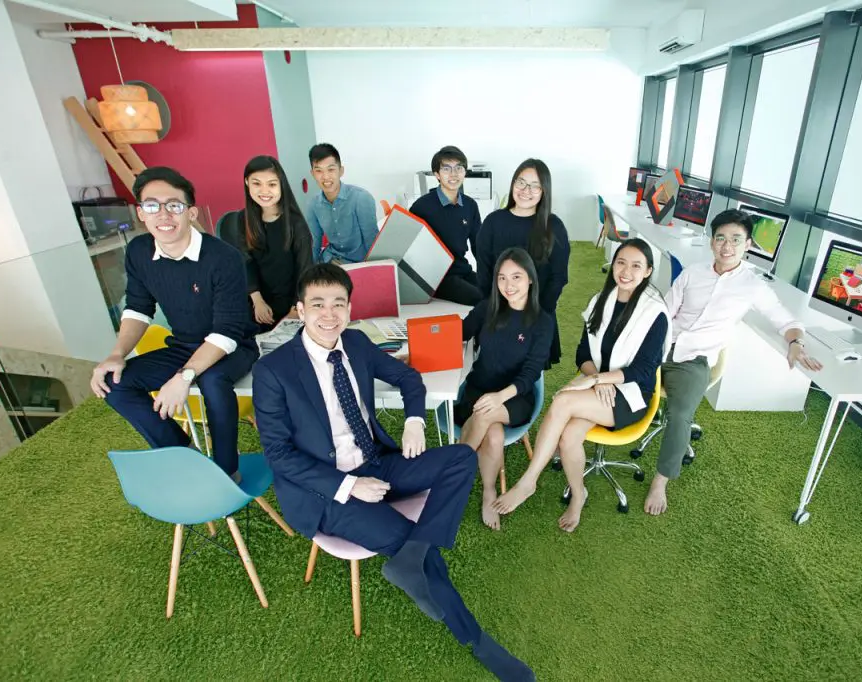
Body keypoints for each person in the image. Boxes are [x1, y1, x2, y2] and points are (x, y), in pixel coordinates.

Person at [252, 263, 534, 682]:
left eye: (338, 304)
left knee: (459, 458)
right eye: (318, 305)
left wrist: (415, 421)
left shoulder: (357, 342)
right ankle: (477, 641)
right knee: (419, 554)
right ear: (299, 310)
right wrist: (349, 485)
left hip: (377, 460)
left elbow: (408, 378)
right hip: (327, 493)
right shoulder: (273, 370)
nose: (329, 314)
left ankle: (414, 553)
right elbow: (278, 455)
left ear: (349, 308)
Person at [643, 209, 823, 516]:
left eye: (736, 240)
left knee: (681, 412)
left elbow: (785, 320)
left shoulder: (753, 285)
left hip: (694, 360)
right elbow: (665, 311)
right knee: (613, 375)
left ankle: (660, 481)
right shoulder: (691, 273)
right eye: (721, 238)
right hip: (661, 347)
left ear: (748, 244)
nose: (727, 246)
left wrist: (796, 343)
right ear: (711, 241)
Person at [89, 167, 258, 480]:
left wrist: (183, 377)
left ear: (191, 212)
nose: (163, 214)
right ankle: (184, 456)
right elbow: (138, 309)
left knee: (212, 381)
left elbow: (228, 331)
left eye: (174, 205)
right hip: (183, 345)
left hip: (233, 346)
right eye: (152, 205)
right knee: (116, 383)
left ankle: (227, 470)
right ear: (141, 213)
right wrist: (117, 354)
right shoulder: (139, 251)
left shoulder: (223, 258)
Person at [494, 239, 669, 533]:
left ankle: (528, 482)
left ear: (648, 271)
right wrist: (595, 378)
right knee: (569, 437)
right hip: (599, 388)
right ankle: (579, 495)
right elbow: (583, 355)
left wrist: (598, 379)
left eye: (636, 266)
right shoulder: (601, 300)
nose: (626, 271)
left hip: (631, 395)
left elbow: (643, 370)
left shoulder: (655, 313)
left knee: (562, 401)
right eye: (621, 262)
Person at [457, 248, 554, 530]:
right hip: (478, 390)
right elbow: (458, 335)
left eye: (516, 277)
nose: (508, 285)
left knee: (488, 414)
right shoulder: (487, 308)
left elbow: (530, 373)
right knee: (495, 436)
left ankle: (450, 474)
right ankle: (489, 492)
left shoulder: (543, 322)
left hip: (515, 398)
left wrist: (500, 396)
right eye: (502, 278)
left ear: (531, 280)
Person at [477, 159, 569, 367]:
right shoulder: (493, 222)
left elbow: (558, 278)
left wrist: (536, 317)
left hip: (537, 314)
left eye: (535, 185)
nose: (526, 190)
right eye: (521, 182)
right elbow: (484, 271)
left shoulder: (553, 226)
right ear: (512, 184)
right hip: (498, 312)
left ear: (544, 191)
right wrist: (492, 311)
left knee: (531, 374)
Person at [219, 155, 314, 332]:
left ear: (281, 186)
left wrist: (296, 307)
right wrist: (257, 300)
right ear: (247, 183)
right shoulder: (242, 219)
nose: (264, 191)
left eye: (271, 184)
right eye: (256, 183)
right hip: (257, 302)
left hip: (293, 304)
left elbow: (305, 269)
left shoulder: (295, 223)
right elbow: (245, 262)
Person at [409, 145, 483, 305]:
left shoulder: (470, 205)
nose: (453, 174)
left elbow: (479, 246)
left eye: (459, 168)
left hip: (463, 270)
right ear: (437, 174)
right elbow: (410, 250)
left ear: (465, 172)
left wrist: (492, 274)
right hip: (438, 277)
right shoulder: (422, 207)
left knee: (496, 291)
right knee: (479, 298)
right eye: (446, 169)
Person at [304, 143, 378, 264]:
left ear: (341, 171)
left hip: (359, 263)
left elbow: (372, 243)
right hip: (331, 260)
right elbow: (314, 244)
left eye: (331, 169)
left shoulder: (361, 198)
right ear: (312, 174)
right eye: (319, 171)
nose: (326, 177)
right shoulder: (313, 205)